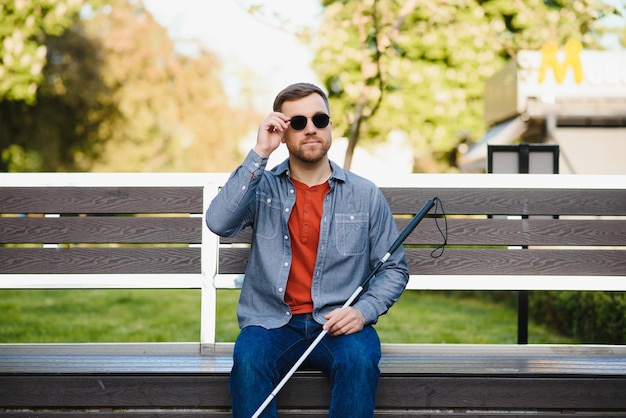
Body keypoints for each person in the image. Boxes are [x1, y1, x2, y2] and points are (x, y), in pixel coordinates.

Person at [205, 82, 409, 418]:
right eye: (297, 123)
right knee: (249, 360)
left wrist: (362, 311)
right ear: (283, 133)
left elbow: (394, 268)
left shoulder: (365, 193)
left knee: (360, 359)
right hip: (271, 323)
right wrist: (260, 153)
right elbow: (219, 222)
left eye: (319, 119)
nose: (310, 128)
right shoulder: (263, 186)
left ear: (330, 126)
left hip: (338, 323)